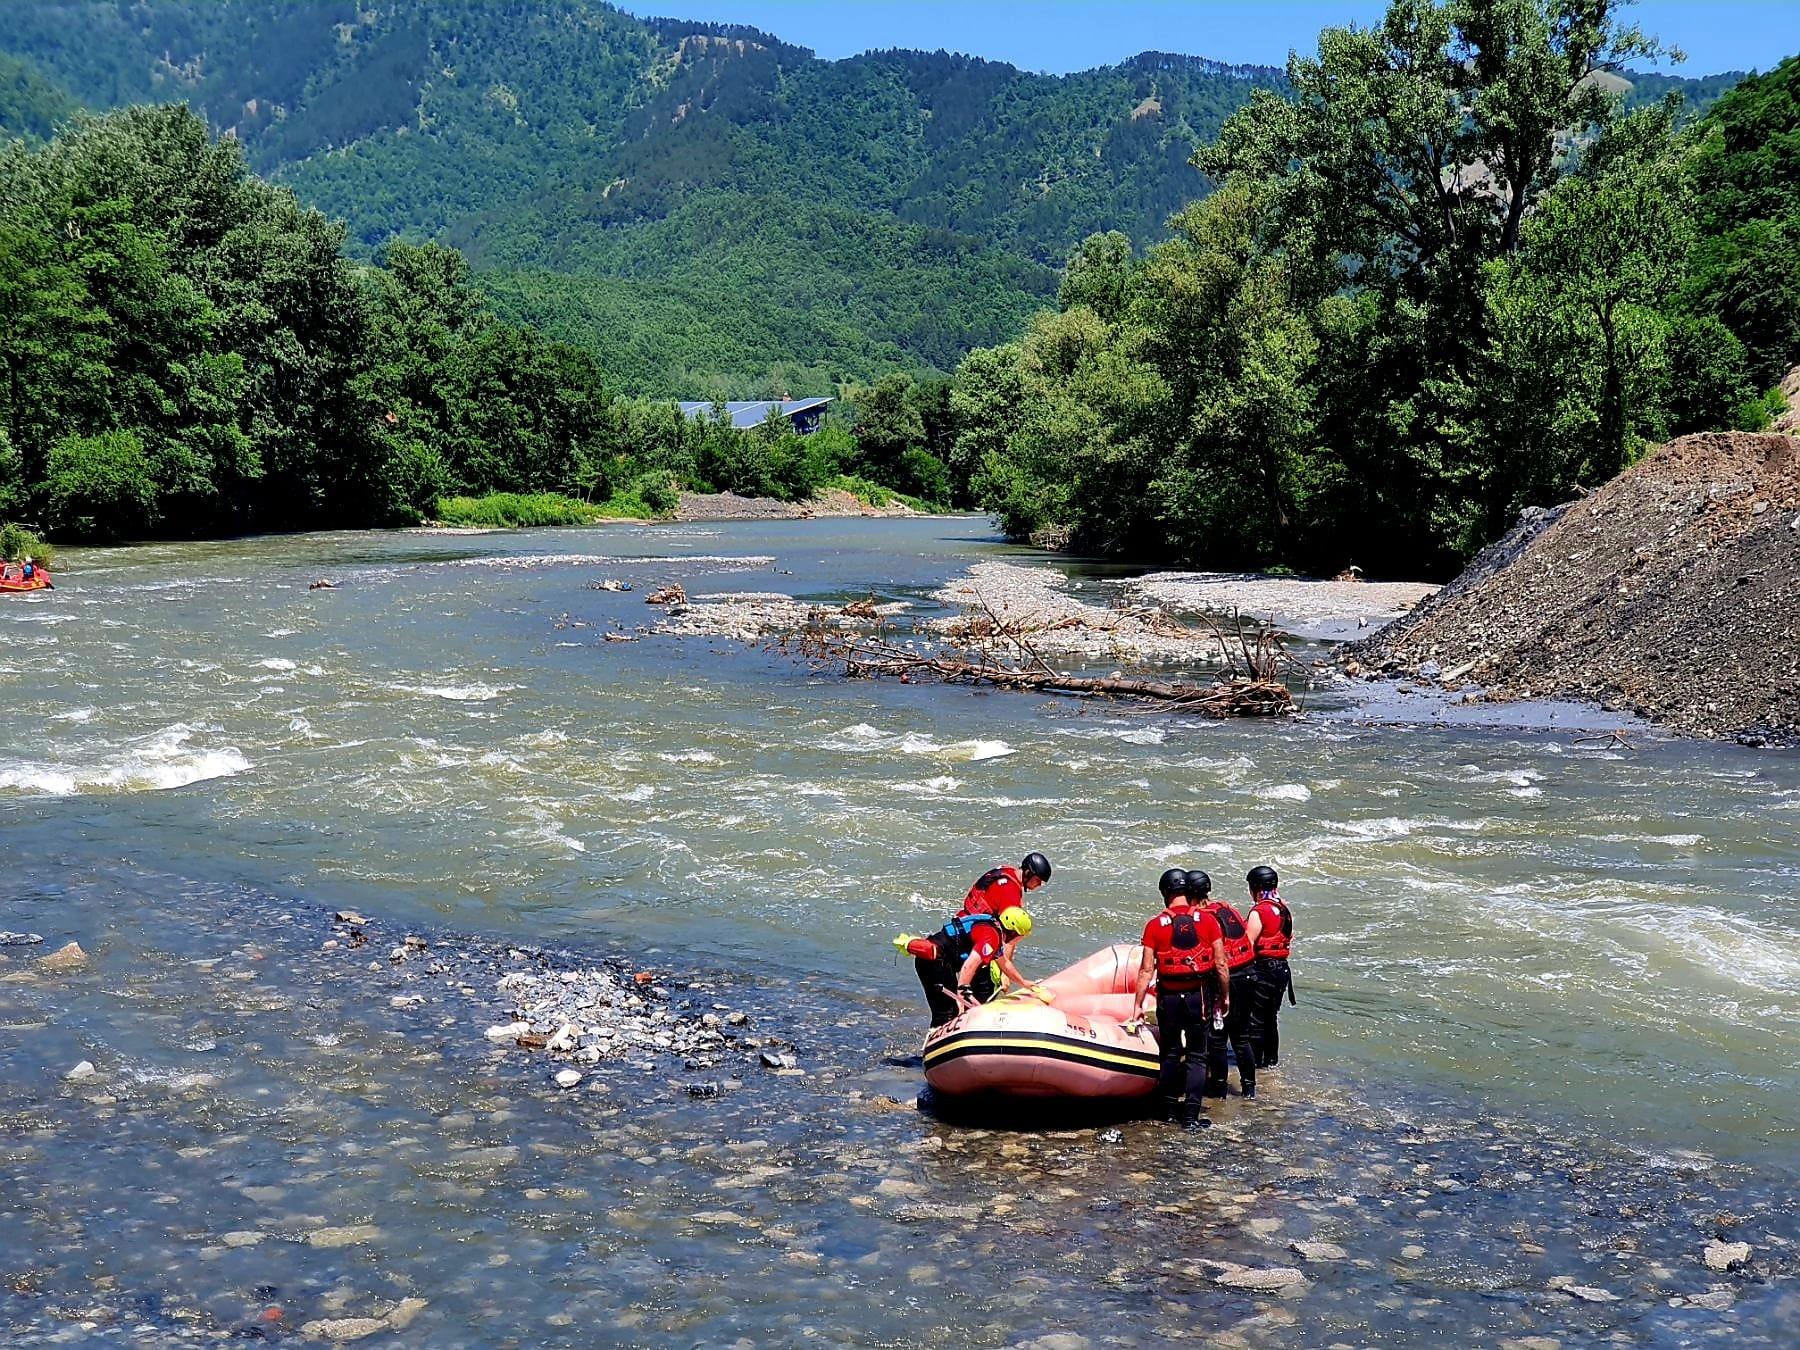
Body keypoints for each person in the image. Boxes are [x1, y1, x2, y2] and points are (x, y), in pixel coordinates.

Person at [1131, 867, 1228, 1130]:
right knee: (1197, 1055)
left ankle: (1169, 1111)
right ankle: (1191, 1117)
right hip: (1199, 996)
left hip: (1169, 997)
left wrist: (1138, 1005)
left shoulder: (1154, 925)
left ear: (1165, 893)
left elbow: (1146, 970)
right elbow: (1220, 964)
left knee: (1171, 1053)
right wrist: (1225, 997)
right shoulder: (1209, 921)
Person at [904, 905, 1037, 1027]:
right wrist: (962, 991)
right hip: (933, 963)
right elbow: (970, 964)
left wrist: (1023, 982)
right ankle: (935, 1050)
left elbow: (1004, 963)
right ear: (1013, 931)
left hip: (941, 962)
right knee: (947, 1013)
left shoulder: (992, 928)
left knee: (952, 1011)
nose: (1017, 941)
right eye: (1019, 937)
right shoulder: (991, 937)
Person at [1194, 869, 1258, 1099]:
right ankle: (1249, 1090)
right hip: (1249, 974)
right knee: (1241, 1037)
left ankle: (1219, 1089)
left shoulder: (1202, 919)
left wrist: (1224, 995)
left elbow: (1219, 964)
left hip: (1228, 978)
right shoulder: (1226, 907)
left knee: (1217, 1037)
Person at [1243, 865, 1294, 1069]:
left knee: (1255, 1020)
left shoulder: (1259, 911)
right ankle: (1271, 1062)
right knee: (1270, 1018)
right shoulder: (1284, 908)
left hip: (1264, 970)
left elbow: (1247, 943)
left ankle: (1255, 1065)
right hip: (1281, 970)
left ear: (1254, 887)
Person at [958, 852, 1052, 917]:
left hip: (962, 920)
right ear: (1028, 873)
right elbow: (1008, 939)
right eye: (1038, 880)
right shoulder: (1011, 892)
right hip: (975, 933)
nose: (1039, 884)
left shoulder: (1007, 871)